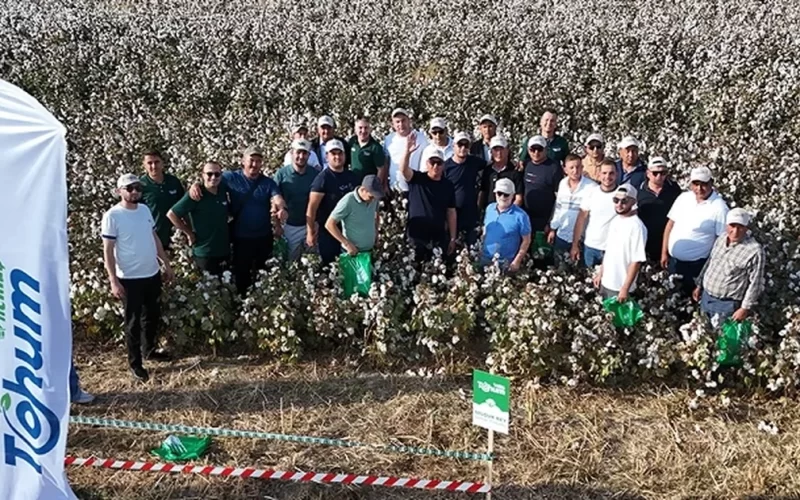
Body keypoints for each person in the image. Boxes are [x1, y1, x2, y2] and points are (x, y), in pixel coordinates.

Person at [102, 174, 175, 382]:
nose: (135, 192)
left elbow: (154, 238)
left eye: (138, 188)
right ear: (119, 191)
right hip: (129, 277)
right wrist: (113, 280)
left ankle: (149, 350)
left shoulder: (144, 210)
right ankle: (135, 364)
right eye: (130, 188)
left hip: (151, 273)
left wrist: (166, 264)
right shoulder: (112, 216)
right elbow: (107, 250)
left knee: (151, 314)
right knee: (132, 322)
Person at [189, 145, 288, 295]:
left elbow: (278, 198)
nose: (254, 164)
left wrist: (282, 209)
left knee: (264, 274)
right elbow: (210, 180)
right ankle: (243, 303)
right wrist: (195, 185)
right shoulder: (230, 177)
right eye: (251, 160)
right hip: (241, 238)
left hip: (263, 237)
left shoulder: (268, 182)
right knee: (242, 276)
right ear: (243, 161)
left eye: (258, 161)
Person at [662, 166, 729, 295]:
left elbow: (721, 242)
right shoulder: (683, 198)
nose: (699, 189)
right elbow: (670, 224)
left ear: (711, 183)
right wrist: (664, 252)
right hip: (674, 262)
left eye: (703, 184)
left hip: (696, 266)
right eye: (695, 184)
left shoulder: (720, 208)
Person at [693, 208, 765, 323]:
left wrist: (744, 308)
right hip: (706, 298)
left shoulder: (754, 250)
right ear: (727, 225)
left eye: (740, 227)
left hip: (727, 305)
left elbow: (755, 283)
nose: (735, 231)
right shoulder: (721, 239)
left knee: (723, 339)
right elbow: (710, 262)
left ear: (746, 228)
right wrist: (699, 285)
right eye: (732, 226)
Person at [398, 133, 457, 262]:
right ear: (427, 163)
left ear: (443, 165)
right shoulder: (417, 178)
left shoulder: (448, 185)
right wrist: (407, 152)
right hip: (416, 236)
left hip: (438, 236)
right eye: (432, 162)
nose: (435, 166)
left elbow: (451, 212)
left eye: (439, 163)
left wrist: (452, 238)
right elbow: (403, 169)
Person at [167, 161, 230, 276]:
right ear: (203, 175)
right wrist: (188, 233)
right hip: (204, 252)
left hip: (224, 250)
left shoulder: (223, 190)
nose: (213, 177)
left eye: (217, 174)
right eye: (209, 174)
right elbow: (172, 214)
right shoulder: (196, 194)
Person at [306, 139, 359, 265]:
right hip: (329, 233)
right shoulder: (322, 179)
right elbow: (311, 208)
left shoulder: (352, 176)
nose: (337, 157)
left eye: (340, 153)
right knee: (331, 268)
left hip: (350, 232)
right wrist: (310, 232)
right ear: (327, 156)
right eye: (333, 154)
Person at [594, 184, 647, 301]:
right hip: (606, 282)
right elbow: (608, 251)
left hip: (620, 287)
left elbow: (636, 261)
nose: (619, 204)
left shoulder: (637, 227)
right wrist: (600, 273)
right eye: (616, 200)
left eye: (624, 201)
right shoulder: (615, 220)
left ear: (633, 202)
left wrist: (625, 289)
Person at [274, 139, 320, 261]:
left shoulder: (315, 174)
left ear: (309, 155)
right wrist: (277, 225)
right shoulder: (281, 174)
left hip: (311, 225)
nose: (301, 156)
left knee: (312, 261)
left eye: (305, 153)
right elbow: (274, 200)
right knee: (291, 261)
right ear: (291, 153)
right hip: (290, 226)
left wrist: (316, 224)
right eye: (298, 152)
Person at [570, 159, 619, 267]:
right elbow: (581, 219)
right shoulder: (591, 192)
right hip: (590, 247)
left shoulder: (622, 194)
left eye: (611, 173)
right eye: (604, 173)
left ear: (617, 174)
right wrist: (575, 245)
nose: (607, 177)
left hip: (612, 249)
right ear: (599, 174)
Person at [548, 154, 595, 256]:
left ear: (582, 168)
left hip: (582, 240)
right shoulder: (562, 184)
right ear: (565, 169)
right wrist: (553, 229)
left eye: (578, 167)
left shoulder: (592, 187)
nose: (575, 171)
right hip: (562, 236)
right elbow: (558, 208)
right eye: (571, 168)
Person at [443, 131, 485, 246]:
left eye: (466, 145)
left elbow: (492, 166)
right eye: (459, 144)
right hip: (453, 215)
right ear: (453, 146)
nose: (463, 148)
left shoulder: (474, 162)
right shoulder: (446, 167)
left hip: (471, 214)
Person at [325, 175, 383, 255]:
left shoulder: (373, 199)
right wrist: (347, 244)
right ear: (363, 189)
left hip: (370, 251)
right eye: (371, 197)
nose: (373, 200)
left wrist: (376, 233)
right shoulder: (348, 200)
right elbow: (329, 224)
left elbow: (376, 214)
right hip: (352, 252)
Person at [481, 178, 532, 271]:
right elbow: (485, 230)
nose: (502, 197)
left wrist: (517, 261)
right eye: (499, 193)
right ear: (495, 193)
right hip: (485, 259)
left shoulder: (521, 216)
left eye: (506, 194)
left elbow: (526, 240)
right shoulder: (489, 208)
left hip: (506, 263)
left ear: (512, 195)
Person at [636, 156, 681, 261]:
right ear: (648, 173)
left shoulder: (674, 189)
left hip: (668, 242)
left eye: (663, 173)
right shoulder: (639, 191)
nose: (659, 176)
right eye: (655, 173)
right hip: (646, 242)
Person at [139, 150, 185, 250]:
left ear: (162, 163)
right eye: (149, 163)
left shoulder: (173, 181)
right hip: (153, 238)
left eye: (156, 162)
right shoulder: (140, 186)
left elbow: (184, 207)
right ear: (144, 165)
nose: (154, 166)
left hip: (177, 236)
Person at [522, 135, 563, 237]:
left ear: (546, 149)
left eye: (539, 149)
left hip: (544, 221)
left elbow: (559, 198)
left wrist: (551, 223)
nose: (536, 153)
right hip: (526, 218)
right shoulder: (526, 164)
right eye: (533, 149)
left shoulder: (554, 167)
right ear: (528, 150)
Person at [383, 108, 429, 193]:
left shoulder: (421, 138)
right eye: (397, 122)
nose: (401, 124)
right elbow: (386, 163)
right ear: (393, 124)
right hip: (395, 188)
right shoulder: (389, 140)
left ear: (409, 121)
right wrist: (385, 184)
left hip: (416, 187)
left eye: (403, 120)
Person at [479, 135, 522, 209]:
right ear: (491, 152)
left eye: (501, 149)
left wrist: (507, 213)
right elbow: (483, 193)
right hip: (490, 214)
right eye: (495, 150)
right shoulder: (487, 171)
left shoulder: (515, 171)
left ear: (507, 150)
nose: (499, 153)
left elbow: (519, 198)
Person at [348, 117, 386, 182]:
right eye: (360, 128)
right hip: (353, 184)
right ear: (355, 130)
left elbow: (381, 169)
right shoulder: (352, 142)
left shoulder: (375, 147)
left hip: (369, 186)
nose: (363, 131)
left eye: (366, 128)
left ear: (370, 129)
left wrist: (376, 185)